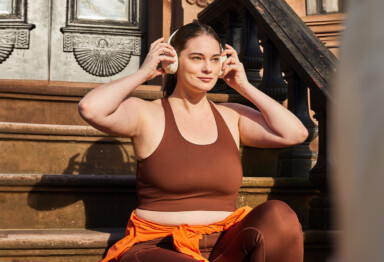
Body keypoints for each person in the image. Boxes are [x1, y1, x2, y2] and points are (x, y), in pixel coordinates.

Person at [78, 22, 307, 262]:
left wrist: (244, 86)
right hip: (159, 246)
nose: (208, 68)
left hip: (225, 243)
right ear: (174, 61)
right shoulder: (146, 113)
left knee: (280, 215)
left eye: (215, 59)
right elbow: (91, 108)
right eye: (197, 58)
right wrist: (144, 73)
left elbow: (295, 134)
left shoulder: (232, 116)